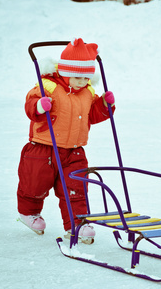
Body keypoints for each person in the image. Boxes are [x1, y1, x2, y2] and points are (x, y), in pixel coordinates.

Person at [17, 38, 115, 244]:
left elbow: (92, 115)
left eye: (86, 78)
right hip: (44, 147)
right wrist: (39, 106)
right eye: (77, 77)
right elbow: (30, 105)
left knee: (76, 187)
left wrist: (105, 105)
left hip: (74, 151)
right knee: (35, 184)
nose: (82, 82)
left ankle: (76, 223)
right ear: (65, 71)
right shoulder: (48, 86)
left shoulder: (87, 93)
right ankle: (29, 213)